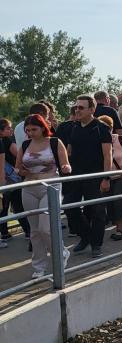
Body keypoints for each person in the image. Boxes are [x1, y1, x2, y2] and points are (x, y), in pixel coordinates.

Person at [15, 114, 72, 277]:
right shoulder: (25, 145)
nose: (31, 133)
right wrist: (21, 171)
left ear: (43, 128)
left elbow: (65, 163)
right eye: (28, 130)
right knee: (34, 231)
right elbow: (17, 167)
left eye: (34, 129)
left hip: (51, 186)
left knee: (46, 228)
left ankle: (61, 253)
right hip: (29, 187)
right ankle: (39, 267)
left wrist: (66, 167)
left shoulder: (54, 142)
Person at [65, 95, 112, 258]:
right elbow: (70, 151)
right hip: (76, 176)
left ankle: (96, 245)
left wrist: (106, 178)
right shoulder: (74, 127)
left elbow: (108, 155)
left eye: (81, 107)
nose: (77, 110)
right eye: (76, 107)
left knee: (98, 211)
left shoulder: (102, 128)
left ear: (92, 110)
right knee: (69, 206)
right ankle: (87, 237)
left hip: (96, 176)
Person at [97, 115, 122, 241]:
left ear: (111, 128)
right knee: (105, 205)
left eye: (107, 128)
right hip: (103, 178)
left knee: (119, 202)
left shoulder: (121, 139)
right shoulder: (96, 142)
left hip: (120, 176)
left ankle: (120, 229)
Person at [0, 118, 31, 248]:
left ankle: (4, 232)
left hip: (6, 179)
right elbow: (17, 155)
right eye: (8, 128)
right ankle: (28, 231)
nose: (11, 130)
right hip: (10, 179)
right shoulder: (6, 141)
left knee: (4, 207)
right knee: (17, 204)